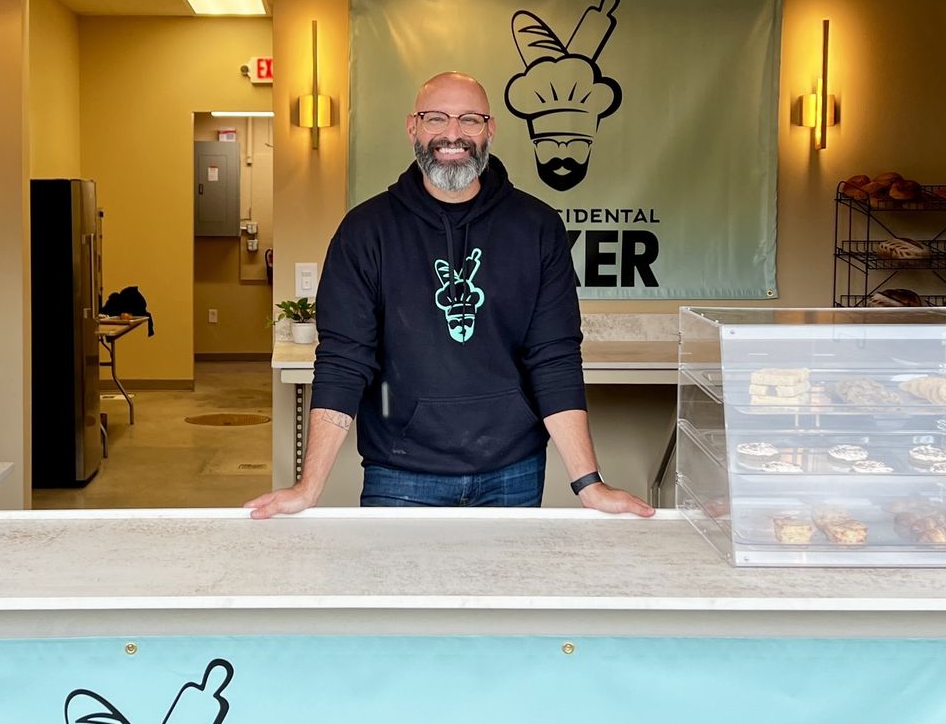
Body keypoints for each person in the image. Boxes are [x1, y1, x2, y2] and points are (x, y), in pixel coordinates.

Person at [247, 71, 655, 518]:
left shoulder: (537, 228)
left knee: (504, 589)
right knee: (400, 588)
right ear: (413, 128)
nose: (453, 134)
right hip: (400, 472)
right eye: (436, 118)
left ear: (490, 129)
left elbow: (553, 358)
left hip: (513, 471)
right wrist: (309, 488)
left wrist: (588, 484)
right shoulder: (366, 232)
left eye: (470, 120)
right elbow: (344, 360)